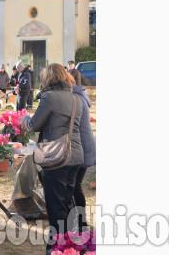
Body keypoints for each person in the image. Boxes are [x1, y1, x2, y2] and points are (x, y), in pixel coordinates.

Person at [22, 63, 83, 252]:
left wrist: (23, 117)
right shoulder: (76, 98)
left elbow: (33, 125)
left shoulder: (49, 97)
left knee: (56, 207)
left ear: (49, 78)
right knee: (66, 204)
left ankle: (56, 249)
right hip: (75, 156)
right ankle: (70, 246)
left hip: (56, 156)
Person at [69, 71, 95, 230]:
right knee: (75, 184)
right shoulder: (80, 95)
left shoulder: (75, 98)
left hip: (82, 145)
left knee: (75, 185)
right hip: (86, 144)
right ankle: (80, 221)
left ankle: (81, 222)